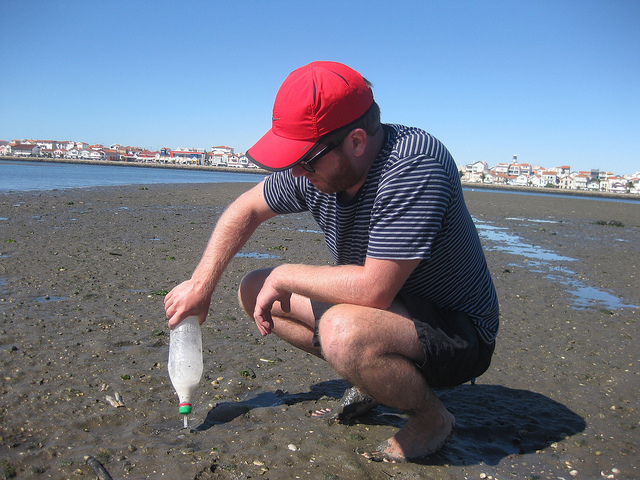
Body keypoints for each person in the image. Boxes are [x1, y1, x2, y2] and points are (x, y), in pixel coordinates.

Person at [164, 61, 499, 463]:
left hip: (459, 330)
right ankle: (375, 378)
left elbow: (374, 290)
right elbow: (247, 209)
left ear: (357, 141)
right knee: (254, 289)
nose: (297, 173)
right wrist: (202, 284)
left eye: (304, 161)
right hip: (391, 310)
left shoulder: (413, 166)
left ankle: (431, 419)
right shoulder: (317, 164)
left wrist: (286, 273)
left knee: (344, 331)